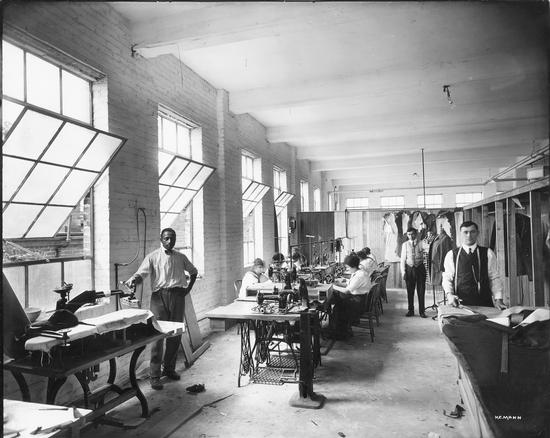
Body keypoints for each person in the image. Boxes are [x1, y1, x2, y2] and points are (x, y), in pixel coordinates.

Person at [125, 228, 198, 390]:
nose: (169, 241)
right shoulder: (152, 257)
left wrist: (188, 289)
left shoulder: (180, 257)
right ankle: (155, 375)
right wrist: (133, 280)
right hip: (159, 298)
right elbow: (140, 274)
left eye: (172, 238)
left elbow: (194, 272)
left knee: (175, 334)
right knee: (158, 335)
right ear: (161, 239)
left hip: (178, 297)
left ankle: (169, 369)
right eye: (166, 238)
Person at [443, 221, 506, 310]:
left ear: (477, 233)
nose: (469, 235)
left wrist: (498, 299)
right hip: (460, 304)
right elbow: (447, 278)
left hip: (484, 303)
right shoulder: (452, 255)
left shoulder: (488, 253)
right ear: (460, 234)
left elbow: (494, 278)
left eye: (472, 232)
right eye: (465, 232)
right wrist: (449, 295)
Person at [325, 253, 371, 339]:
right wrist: (339, 283)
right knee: (336, 298)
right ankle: (334, 328)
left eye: (348, 267)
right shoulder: (359, 273)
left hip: (358, 303)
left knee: (337, 305)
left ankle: (337, 332)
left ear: (353, 266)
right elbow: (350, 284)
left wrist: (334, 286)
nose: (347, 269)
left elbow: (347, 291)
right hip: (358, 299)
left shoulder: (359, 276)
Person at [400, 227, 427, 318]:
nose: (411, 236)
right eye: (409, 234)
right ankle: (410, 310)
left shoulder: (421, 243)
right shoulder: (405, 245)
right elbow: (403, 259)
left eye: (412, 234)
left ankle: (422, 311)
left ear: (416, 234)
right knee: (410, 291)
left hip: (420, 268)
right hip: (409, 269)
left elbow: (428, 250)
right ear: (407, 235)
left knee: (421, 291)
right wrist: (403, 272)